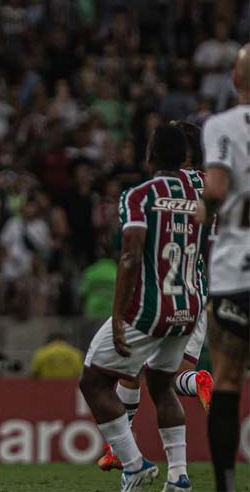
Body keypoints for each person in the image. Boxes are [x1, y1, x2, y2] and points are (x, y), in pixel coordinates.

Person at [79, 124, 205, 492]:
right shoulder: (202, 194)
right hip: (188, 306)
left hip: (149, 309)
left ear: (150, 155)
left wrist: (119, 315)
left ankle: (133, 466)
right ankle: (178, 476)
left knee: (93, 381)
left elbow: (130, 255)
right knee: (163, 386)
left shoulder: (139, 196)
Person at [199, 43, 250, 492]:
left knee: (228, 379)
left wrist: (203, 207)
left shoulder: (222, 125)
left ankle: (226, 486)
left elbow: (215, 188)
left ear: (234, 81)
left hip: (236, 272)